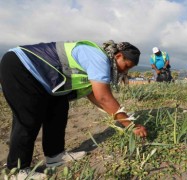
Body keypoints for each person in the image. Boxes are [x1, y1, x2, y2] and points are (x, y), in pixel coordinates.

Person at [0, 40, 147, 179]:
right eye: (126, 66)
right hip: (20, 65)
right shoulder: (99, 58)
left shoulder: (100, 64)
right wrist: (130, 126)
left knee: (59, 108)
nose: (125, 71)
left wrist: (121, 118)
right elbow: (104, 98)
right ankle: (17, 171)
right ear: (119, 56)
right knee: (28, 118)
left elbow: (95, 96)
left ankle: (55, 156)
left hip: (47, 81)